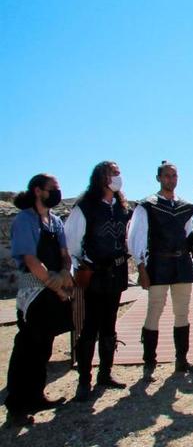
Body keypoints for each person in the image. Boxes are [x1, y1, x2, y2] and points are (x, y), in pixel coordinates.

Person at [127, 161, 193, 381]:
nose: (171, 179)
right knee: (154, 311)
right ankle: (149, 361)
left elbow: (189, 238)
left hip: (181, 265)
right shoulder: (146, 205)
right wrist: (141, 267)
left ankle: (181, 360)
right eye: (167, 176)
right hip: (158, 264)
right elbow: (136, 237)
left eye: (174, 176)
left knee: (182, 312)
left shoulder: (186, 207)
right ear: (159, 178)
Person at [5, 174, 73, 426]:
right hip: (35, 289)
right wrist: (53, 283)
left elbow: (65, 253)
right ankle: (16, 405)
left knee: (45, 343)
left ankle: (36, 395)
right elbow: (31, 260)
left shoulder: (55, 221)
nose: (56, 192)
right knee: (27, 346)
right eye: (52, 189)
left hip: (55, 284)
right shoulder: (25, 220)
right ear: (37, 191)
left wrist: (66, 271)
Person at [65, 161, 130, 401]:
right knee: (90, 326)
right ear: (101, 177)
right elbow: (72, 241)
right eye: (113, 172)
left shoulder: (121, 207)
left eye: (118, 172)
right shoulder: (86, 207)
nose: (117, 176)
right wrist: (83, 266)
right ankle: (84, 380)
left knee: (109, 325)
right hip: (94, 274)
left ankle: (105, 373)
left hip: (116, 273)